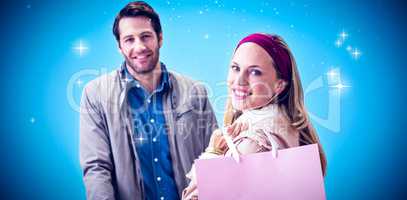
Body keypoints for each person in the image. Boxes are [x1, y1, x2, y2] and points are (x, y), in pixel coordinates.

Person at [79, 1, 218, 200]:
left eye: (145, 36)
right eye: (129, 40)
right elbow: (96, 168)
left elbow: (215, 156)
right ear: (119, 46)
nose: (140, 47)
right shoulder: (95, 95)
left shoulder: (196, 92)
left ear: (160, 38)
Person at [182, 33, 327, 200]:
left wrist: (213, 153)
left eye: (255, 72)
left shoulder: (251, 143)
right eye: (235, 68)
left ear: (279, 85)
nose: (239, 81)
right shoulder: (291, 127)